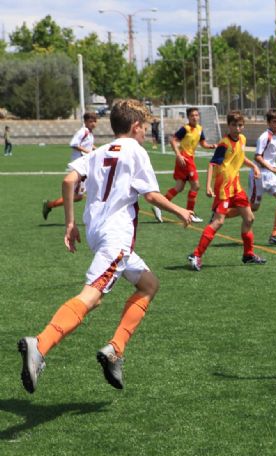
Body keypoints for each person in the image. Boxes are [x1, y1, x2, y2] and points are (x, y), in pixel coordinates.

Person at [18, 99, 193, 394]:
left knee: (149, 284)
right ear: (135, 127)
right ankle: (41, 343)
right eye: (146, 129)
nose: (146, 135)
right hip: (116, 237)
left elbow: (68, 179)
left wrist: (70, 224)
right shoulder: (136, 151)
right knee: (91, 297)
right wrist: (181, 212)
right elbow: (150, 195)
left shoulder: (99, 151)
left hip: (96, 233)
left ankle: (115, 350)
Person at [188, 111, 266, 271]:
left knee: (249, 218)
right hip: (223, 188)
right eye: (233, 125)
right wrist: (209, 186)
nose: (237, 128)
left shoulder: (242, 139)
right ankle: (196, 255)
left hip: (236, 187)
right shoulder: (224, 144)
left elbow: (240, 156)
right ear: (228, 126)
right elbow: (212, 164)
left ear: (243, 126)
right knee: (219, 222)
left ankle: (248, 254)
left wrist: (253, 166)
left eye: (240, 125)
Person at [152, 107, 216, 224]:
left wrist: (210, 146)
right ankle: (190, 213)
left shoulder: (199, 129)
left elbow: (202, 143)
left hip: (188, 158)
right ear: (188, 117)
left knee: (179, 187)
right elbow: (173, 140)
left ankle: (159, 205)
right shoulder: (185, 129)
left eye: (196, 115)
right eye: (192, 115)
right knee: (196, 186)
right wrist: (178, 155)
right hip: (185, 158)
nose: (195, 117)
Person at [249, 109, 276, 247]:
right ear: (268, 122)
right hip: (259, 175)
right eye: (274, 122)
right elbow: (257, 156)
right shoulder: (264, 137)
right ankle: (221, 214)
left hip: (271, 175)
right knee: (253, 208)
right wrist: (273, 168)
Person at [42, 112, 98, 220]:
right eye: (91, 121)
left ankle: (49, 205)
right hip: (79, 166)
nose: (93, 124)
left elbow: (89, 144)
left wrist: (96, 150)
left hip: (84, 166)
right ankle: (49, 205)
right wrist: (88, 151)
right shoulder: (83, 132)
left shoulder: (89, 133)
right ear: (85, 122)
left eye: (95, 121)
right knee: (80, 195)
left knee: (78, 197)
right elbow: (73, 144)